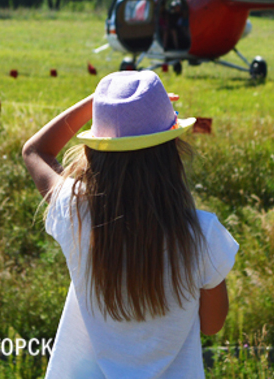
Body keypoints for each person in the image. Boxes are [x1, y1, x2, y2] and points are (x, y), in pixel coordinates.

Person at [22, 70, 238, 378]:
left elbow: (35, 151)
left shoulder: (77, 215)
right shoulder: (202, 234)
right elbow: (212, 324)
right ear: (172, 153)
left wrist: (99, 105)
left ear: (96, 152)